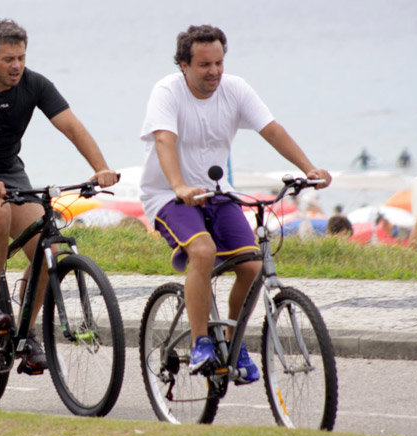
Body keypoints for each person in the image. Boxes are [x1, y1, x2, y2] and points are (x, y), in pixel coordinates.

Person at [139, 25, 331, 382]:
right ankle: (200, 343)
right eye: (204, 65)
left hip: (217, 193)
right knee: (202, 251)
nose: (214, 71)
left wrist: (308, 168)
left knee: (252, 266)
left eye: (219, 63)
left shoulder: (235, 89)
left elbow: (271, 129)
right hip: (168, 196)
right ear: (183, 65)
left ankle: (233, 339)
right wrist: (179, 185)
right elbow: (164, 139)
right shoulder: (167, 92)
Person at [0, 19, 118, 373]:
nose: (16, 65)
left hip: (10, 172)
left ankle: (26, 332)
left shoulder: (34, 84)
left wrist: (101, 168)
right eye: (8, 59)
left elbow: (72, 126)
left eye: (21, 57)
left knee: (47, 247)